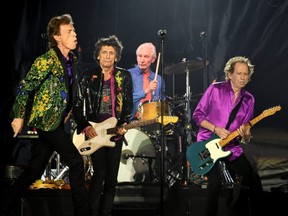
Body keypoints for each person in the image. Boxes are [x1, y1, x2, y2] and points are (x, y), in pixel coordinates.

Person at [0, 14, 91, 216]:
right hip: (46, 122)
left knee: (34, 170)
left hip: (57, 123)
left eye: (74, 31)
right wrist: (18, 115)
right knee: (76, 162)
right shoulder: (46, 60)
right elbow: (26, 87)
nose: (75, 35)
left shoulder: (71, 60)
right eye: (69, 32)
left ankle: (4, 204)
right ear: (57, 37)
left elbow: (68, 89)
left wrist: (67, 110)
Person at [191, 56, 263, 216]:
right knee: (215, 185)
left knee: (254, 179)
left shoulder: (249, 99)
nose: (243, 77)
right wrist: (215, 128)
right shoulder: (215, 89)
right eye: (239, 73)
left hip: (231, 147)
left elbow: (245, 132)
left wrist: (246, 135)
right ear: (229, 74)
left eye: (246, 74)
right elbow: (197, 115)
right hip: (208, 144)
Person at [73, 35, 133, 216]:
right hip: (94, 131)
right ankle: (91, 212)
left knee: (111, 178)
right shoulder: (86, 76)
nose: (107, 56)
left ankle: (105, 212)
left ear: (116, 57)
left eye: (111, 53)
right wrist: (85, 125)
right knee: (99, 174)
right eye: (104, 52)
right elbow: (76, 104)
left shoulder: (125, 76)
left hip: (115, 132)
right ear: (98, 55)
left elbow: (128, 105)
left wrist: (124, 124)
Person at [128, 42, 165, 120]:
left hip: (153, 120)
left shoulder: (158, 79)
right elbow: (126, 99)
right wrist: (147, 90)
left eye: (146, 56)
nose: (142, 60)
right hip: (132, 121)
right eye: (140, 56)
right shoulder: (128, 75)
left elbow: (162, 102)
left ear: (153, 59)